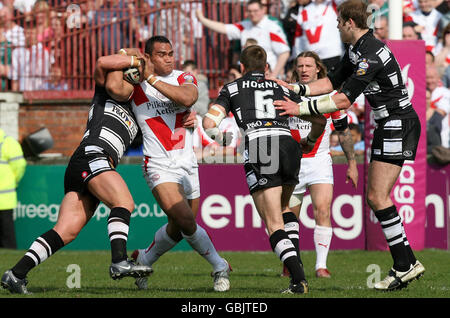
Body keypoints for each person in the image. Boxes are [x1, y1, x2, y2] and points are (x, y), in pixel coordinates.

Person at [273, 0, 425, 291]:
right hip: (389, 123)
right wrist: (296, 89)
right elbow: (331, 81)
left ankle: (404, 265)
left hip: (396, 122)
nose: (336, 26)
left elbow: (342, 100)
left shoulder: (370, 55)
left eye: (339, 21)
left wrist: (300, 109)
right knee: (376, 197)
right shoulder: (357, 50)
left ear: (349, 23)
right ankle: (406, 264)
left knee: (378, 197)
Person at [1, 51, 154, 294]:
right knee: (123, 201)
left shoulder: (139, 107)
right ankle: (119, 261)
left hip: (85, 162)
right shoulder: (106, 89)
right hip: (94, 155)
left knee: (66, 231)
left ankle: (15, 274)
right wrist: (136, 60)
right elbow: (103, 62)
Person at [203, 45, 327, 294]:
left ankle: (298, 278)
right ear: (266, 67)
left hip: (261, 146)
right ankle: (296, 266)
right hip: (289, 145)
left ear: (241, 68)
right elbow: (320, 118)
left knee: (273, 224)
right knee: (284, 208)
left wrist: (225, 140)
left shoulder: (232, 88)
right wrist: (311, 140)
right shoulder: (282, 86)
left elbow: (208, 123)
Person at [111, 36, 231, 292]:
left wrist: (151, 78)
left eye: (171, 53)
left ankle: (143, 260)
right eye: (162, 54)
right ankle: (219, 266)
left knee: (179, 228)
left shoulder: (183, 77)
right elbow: (113, 63)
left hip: (188, 162)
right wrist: (138, 62)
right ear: (150, 57)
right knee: (187, 221)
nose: (169, 58)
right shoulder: (134, 84)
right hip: (157, 163)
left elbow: (188, 98)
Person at [281, 51, 358, 279]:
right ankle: (291, 262)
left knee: (323, 210)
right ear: (296, 69)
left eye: (308, 66)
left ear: (318, 69)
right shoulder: (286, 93)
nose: (304, 69)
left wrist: (352, 163)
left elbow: (343, 131)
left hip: (319, 161)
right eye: (300, 65)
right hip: (292, 163)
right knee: (289, 217)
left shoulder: (331, 97)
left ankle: (320, 266)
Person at [195, 0, 290, 79]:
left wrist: (274, 75)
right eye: (250, 11)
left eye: (255, 11)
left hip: (266, 75)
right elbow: (223, 28)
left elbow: (284, 52)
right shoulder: (244, 26)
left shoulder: (271, 26)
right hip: (247, 75)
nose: (252, 14)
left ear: (263, 10)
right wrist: (202, 19)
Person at [291, 0, 346, 71]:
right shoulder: (305, 10)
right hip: (312, 59)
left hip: (333, 55)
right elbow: (299, 39)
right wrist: (297, 59)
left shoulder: (333, 3)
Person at [0, 127, 26, 249]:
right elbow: (19, 166)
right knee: (7, 236)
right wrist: (13, 181)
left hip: (5, 199)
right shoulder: (9, 143)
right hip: (5, 199)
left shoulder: (8, 142)